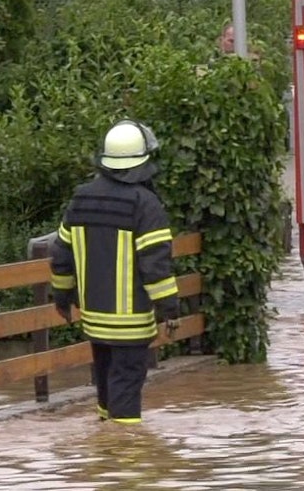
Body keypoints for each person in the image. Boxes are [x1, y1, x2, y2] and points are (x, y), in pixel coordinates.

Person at [49, 120, 181, 424]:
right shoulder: (145, 205)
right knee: (126, 401)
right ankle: (125, 459)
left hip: (95, 321)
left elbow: (60, 255)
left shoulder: (82, 198)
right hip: (131, 325)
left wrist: (62, 297)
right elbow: (156, 266)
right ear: (143, 160)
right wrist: (170, 310)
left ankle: (104, 455)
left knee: (106, 394)